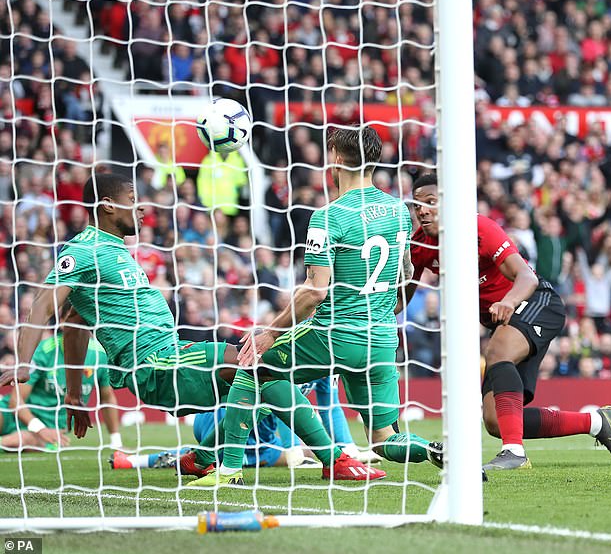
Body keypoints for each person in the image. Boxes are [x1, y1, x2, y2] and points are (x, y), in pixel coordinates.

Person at [0, 172, 382, 482]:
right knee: (259, 365)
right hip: (152, 363)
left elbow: (74, 323)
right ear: (107, 205)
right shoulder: (82, 251)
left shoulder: (114, 251)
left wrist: (74, 394)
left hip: (169, 353)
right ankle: (334, 459)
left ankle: (201, 458)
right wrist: (24, 362)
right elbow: (43, 305)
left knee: (260, 377)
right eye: (132, 199)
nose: (142, 207)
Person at [192, 126, 442, 487]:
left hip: (335, 333)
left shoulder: (329, 217)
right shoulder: (399, 212)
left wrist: (269, 332)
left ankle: (228, 471)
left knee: (253, 367)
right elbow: (405, 274)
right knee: (384, 439)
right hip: (382, 338)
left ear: (336, 159)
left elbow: (314, 291)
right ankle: (436, 450)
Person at [402, 174, 611, 472]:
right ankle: (597, 422)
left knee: (497, 352)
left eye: (430, 202)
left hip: (536, 302)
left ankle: (514, 453)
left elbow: (526, 277)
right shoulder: (419, 245)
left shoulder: (478, 228)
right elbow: (400, 300)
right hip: (504, 322)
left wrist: (508, 301)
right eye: (417, 205)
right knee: (496, 421)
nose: (422, 211)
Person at [111, 376, 380, 469]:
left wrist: (349, 449)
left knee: (302, 453)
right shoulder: (295, 351)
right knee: (288, 456)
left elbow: (330, 407)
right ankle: (134, 461)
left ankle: (132, 461)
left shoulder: (327, 361)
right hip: (227, 418)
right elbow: (287, 406)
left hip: (251, 431)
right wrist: (292, 448)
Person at [1, 333, 121, 451]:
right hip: (15, 415)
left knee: (22, 439)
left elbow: (107, 399)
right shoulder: (44, 350)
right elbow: (15, 400)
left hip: (53, 428)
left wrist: (116, 442)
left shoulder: (99, 355)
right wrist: (39, 428)